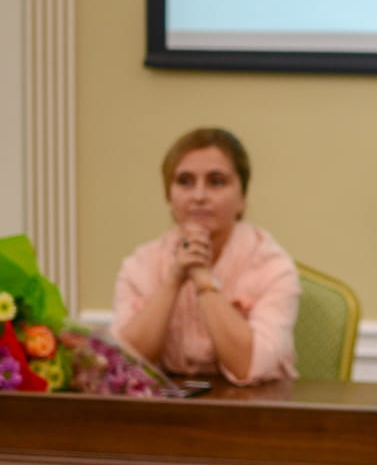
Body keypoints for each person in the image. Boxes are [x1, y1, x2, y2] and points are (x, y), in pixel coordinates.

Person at [112, 127, 299, 385]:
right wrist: (174, 280)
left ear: (242, 197)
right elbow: (124, 365)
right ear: (169, 195)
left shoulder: (274, 267)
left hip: (255, 406)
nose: (199, 196)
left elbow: (248, 367)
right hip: (167, 405)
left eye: (216, 181)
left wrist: (202, 277)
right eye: (185, 181)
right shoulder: (140, 265)